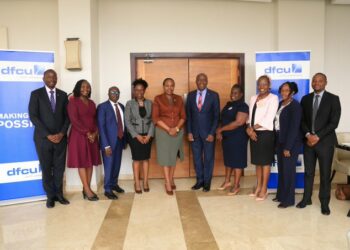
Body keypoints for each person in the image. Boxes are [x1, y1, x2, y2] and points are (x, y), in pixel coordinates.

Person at [296, 73, 341, 215]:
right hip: (309, 142)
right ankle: (306, 198)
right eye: (314, 81)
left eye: (320, 80)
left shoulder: (333, 99)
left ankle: (324, 203)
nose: (317, 83)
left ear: (325, 82)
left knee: (324, 174)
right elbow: (301, 120)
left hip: (325, 143)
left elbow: (334, 122)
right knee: (308, 172)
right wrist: (309, 135)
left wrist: (318, 136)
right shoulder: (305, 99)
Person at [29, 69, 70, 208]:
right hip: (43, 139)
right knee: (46, 168)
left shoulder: (63, 95)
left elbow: (67, 117)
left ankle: (59, 194)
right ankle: (50, 196)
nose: (52, 79)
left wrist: (62, 133)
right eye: (49, 76)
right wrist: (48, 134)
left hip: (61, 139)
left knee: (59, 168)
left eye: (54, 76)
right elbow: (33, 116)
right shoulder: (36, 94)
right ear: (43, 78)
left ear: (57, 78)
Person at [67, 79, 101, 201]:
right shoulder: (73, 102)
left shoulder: (92, 103)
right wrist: (87, 133)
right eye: (83, 86)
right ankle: (87, 189)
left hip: (92, 136)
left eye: (88, 87)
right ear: (77, 88)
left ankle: (86, 188)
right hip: (79, 136)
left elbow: (96, 120)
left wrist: (95, 133)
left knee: (90, 162)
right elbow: (74, 121)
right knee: (82, 162)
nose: (85, 89)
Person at [246, 75, 278, 201]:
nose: (262, 86)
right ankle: (258, 186)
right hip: (253, 133)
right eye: (260, 84)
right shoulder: (253, 98)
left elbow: (269, 117)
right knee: (257, 162)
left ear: (269, 85)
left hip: (265, 134)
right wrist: (249, 129)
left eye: (265, 84)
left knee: (265, 162)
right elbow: (250, 116)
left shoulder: (273, 98)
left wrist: (252, 128)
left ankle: (264, 189)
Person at [186, 73, 220, 192]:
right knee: (196, 158)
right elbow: (189, 116)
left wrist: (212, 133)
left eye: (204, 80)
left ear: (207, 81)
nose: (201, 81)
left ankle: (207, 182)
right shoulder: (190, 96)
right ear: (196, 81)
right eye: (199, 79)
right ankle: (199, 181)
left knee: (209, 158)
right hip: (194, 133)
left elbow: (216, 116)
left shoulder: (214, 95)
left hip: (208, 134)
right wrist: (189, 131)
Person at [152, 78, 186, 195]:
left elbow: (183, 116)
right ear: (163, 86)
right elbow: (155, 118)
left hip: (177, 132)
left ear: (174, 86)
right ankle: (167, 182)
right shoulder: (158, 99)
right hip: (163, 132)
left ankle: (171, 178)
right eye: (167, 85)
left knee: (173, 156)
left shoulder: (179, 98)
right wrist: (169, 129)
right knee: (165, 157)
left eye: (172, 85)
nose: (169, 88)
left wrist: (176, 129)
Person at [273, 82, 302, 208]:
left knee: (288, 171)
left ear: (292, 92)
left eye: (286, 90)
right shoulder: (281, 103)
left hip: (290, 143)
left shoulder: (295, 106)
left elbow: (294, 128)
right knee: (282, 170)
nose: (283, 92)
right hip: (280, 140)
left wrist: (288, 147)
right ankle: (281, 195)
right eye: (282, 90)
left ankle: (289, 200)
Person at [216, 84, 249, 195]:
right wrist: (220, 131)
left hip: (238, 138)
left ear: (241, 94)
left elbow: (238, 122)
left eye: (235, 93)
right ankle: (227, 181)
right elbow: (222, 119)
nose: (233, 95)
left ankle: (236, 185)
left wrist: (221, 130)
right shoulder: (229, 105)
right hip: (227, 138)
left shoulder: (243, 106)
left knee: (237, 162)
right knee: (228, 160)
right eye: (232, 92)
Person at [125, 79, 154, 194]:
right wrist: (136, 135)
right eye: (137, 90)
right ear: (134, 91)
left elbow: (153, 120)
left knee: (146, 159)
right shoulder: (129, 103)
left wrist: (149, 135)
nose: (139, 92)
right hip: (134, 136)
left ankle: (145, 182)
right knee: (137, 159)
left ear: (145, 90)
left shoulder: (150, 103)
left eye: (141, 90)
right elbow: (127, 121)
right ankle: (137, 182)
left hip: (148, 135)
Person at [97, 86, 127, 200]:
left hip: (119, 140)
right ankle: (108, 189)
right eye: (113, 92)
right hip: (108, 142)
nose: (115, 94)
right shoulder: (102, 107)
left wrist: (125, 140)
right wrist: (106, 145)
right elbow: (101, 127)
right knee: (109, 165)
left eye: (117, 92)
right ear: (108, 93)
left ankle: (114, 184)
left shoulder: (121, 107)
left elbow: (123, 124)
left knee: (117, 164)